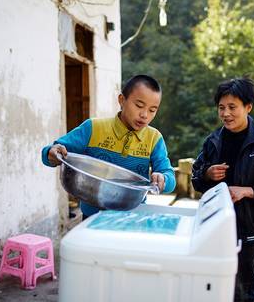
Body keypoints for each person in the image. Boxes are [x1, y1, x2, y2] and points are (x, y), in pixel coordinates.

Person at [191, 77, 254, 302]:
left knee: (243, 286)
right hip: (215, 227)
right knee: (214, 282)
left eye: (232, 107)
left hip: (249, 230)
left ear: (248, 107)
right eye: (221, 108)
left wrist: (246, 191)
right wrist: (207, 173)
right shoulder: (213, 141)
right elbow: (196, 179)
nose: (226, 113)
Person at [42, 74, 176, 219]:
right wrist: (51, 153)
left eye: (152, 110)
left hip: (134, 216)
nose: (144, 115)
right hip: (93, 217)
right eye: (139, 105)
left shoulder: (154, 139)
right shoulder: (93, 128)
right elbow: (55, 151)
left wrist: (163, 178)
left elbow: (170, 179)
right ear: (122, 100)